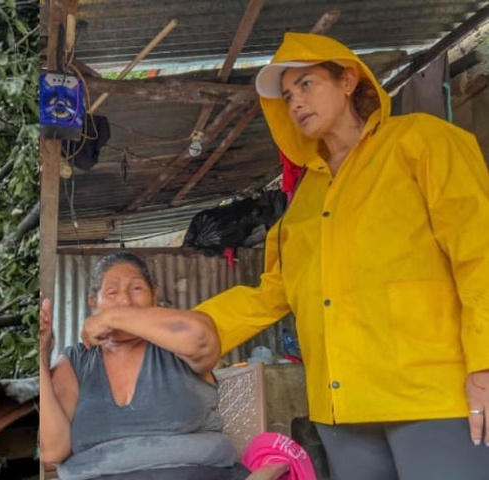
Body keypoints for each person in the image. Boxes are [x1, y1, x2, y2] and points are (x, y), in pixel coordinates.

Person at [193, 32, 489, 480]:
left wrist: (483, 366)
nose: (295, 102)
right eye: (288, 95)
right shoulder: (305, 197)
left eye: (307, 84)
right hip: (341, 407)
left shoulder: (422, 141)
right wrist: (182, 329)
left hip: (431, 395)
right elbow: (275, 292)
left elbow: (479, 253)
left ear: (348, 80)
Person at [39, 251, 252, 480]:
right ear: (93, 302)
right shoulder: (76, 361)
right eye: (112, 292)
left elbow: (201, 337)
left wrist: (112, 317)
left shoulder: (177, 344)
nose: (125, 300)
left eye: (136, 289)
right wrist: (40, 355)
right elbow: (53, 450)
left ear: (155, 296)